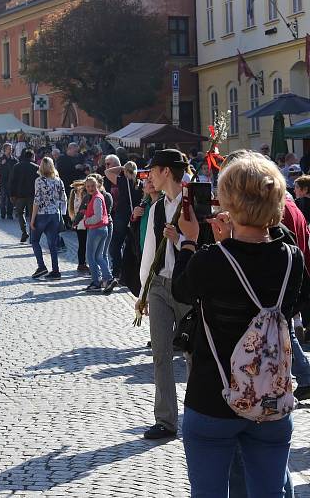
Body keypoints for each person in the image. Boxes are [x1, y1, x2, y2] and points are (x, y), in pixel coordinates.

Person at [173, 150, 305, 496]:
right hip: (272, 398)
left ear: (227, 201)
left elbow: (181, 290)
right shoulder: (292, 258)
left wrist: (189, 242)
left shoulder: (212, 260)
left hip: (213, 396)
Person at [136, 149, 192, 440]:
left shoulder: (192, 203)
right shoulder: (158, 207)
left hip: (186, 285)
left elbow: (205, 244)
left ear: (166, 171)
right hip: (159, 285)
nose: (149, 177)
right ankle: (166, 421)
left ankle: (196, 414)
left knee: (193, 352)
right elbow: (149, 249)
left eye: (152, 171)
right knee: (160, 353)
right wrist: (144, 290)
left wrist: (180, 239)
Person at [104, 157, 141, 291]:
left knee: (115, 244)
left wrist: (121, 168)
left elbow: (107, 172)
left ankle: (117, 271)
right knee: (133, 244)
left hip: (122, 215)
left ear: (125, 171)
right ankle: (130, 272)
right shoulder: (139, 182)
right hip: (135, 216)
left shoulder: (123, 181)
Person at [29, 157, 67, 280]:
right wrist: (61, 212)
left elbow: (37, 200)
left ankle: (41, 266)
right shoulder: (58, 181)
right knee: (53, 245)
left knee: (34, 240)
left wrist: (32, 219)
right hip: (54, 214)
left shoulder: (39, 181)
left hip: (42, 214)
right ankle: (56, 271)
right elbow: (64, 199)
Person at [78, 176, 111, 291]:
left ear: (97, 185)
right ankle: (108, 278)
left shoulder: (96, 198)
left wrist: (86, 220)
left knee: (91, 257)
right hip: (102, 229)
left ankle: (96, 282)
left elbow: (98, 216)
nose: (90, 188)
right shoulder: (97, 197)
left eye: (92, 186)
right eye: (88, 186)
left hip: (96, 229)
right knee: (98, 256)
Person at [9, 148, 39, 243]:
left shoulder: (17, 166)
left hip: (19, 195)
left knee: (20, 213)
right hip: (32, 195)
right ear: (32, 156)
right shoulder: (36, 167)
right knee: (32, 215)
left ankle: (24, 231)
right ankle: (32, 235)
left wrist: (12, 194)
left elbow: (12, 181)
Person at [68, 179, 89, 273]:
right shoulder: (81, 195)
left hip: (79, 224)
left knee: (82, 245)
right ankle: (82, 264)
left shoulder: (75, 195)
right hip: (83, 223)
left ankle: (82, 263)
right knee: (84, 245)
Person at [0, 143, 17, 220]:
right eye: (9, 148)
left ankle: (9, 214)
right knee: (3, 199)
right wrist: (1, 164)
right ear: (5, 149)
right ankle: (3, 214)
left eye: (11, 148)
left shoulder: (14, 159)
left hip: (11, 182)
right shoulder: (0, 159)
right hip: (3, 182)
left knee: (10, 199)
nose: (11, 150)